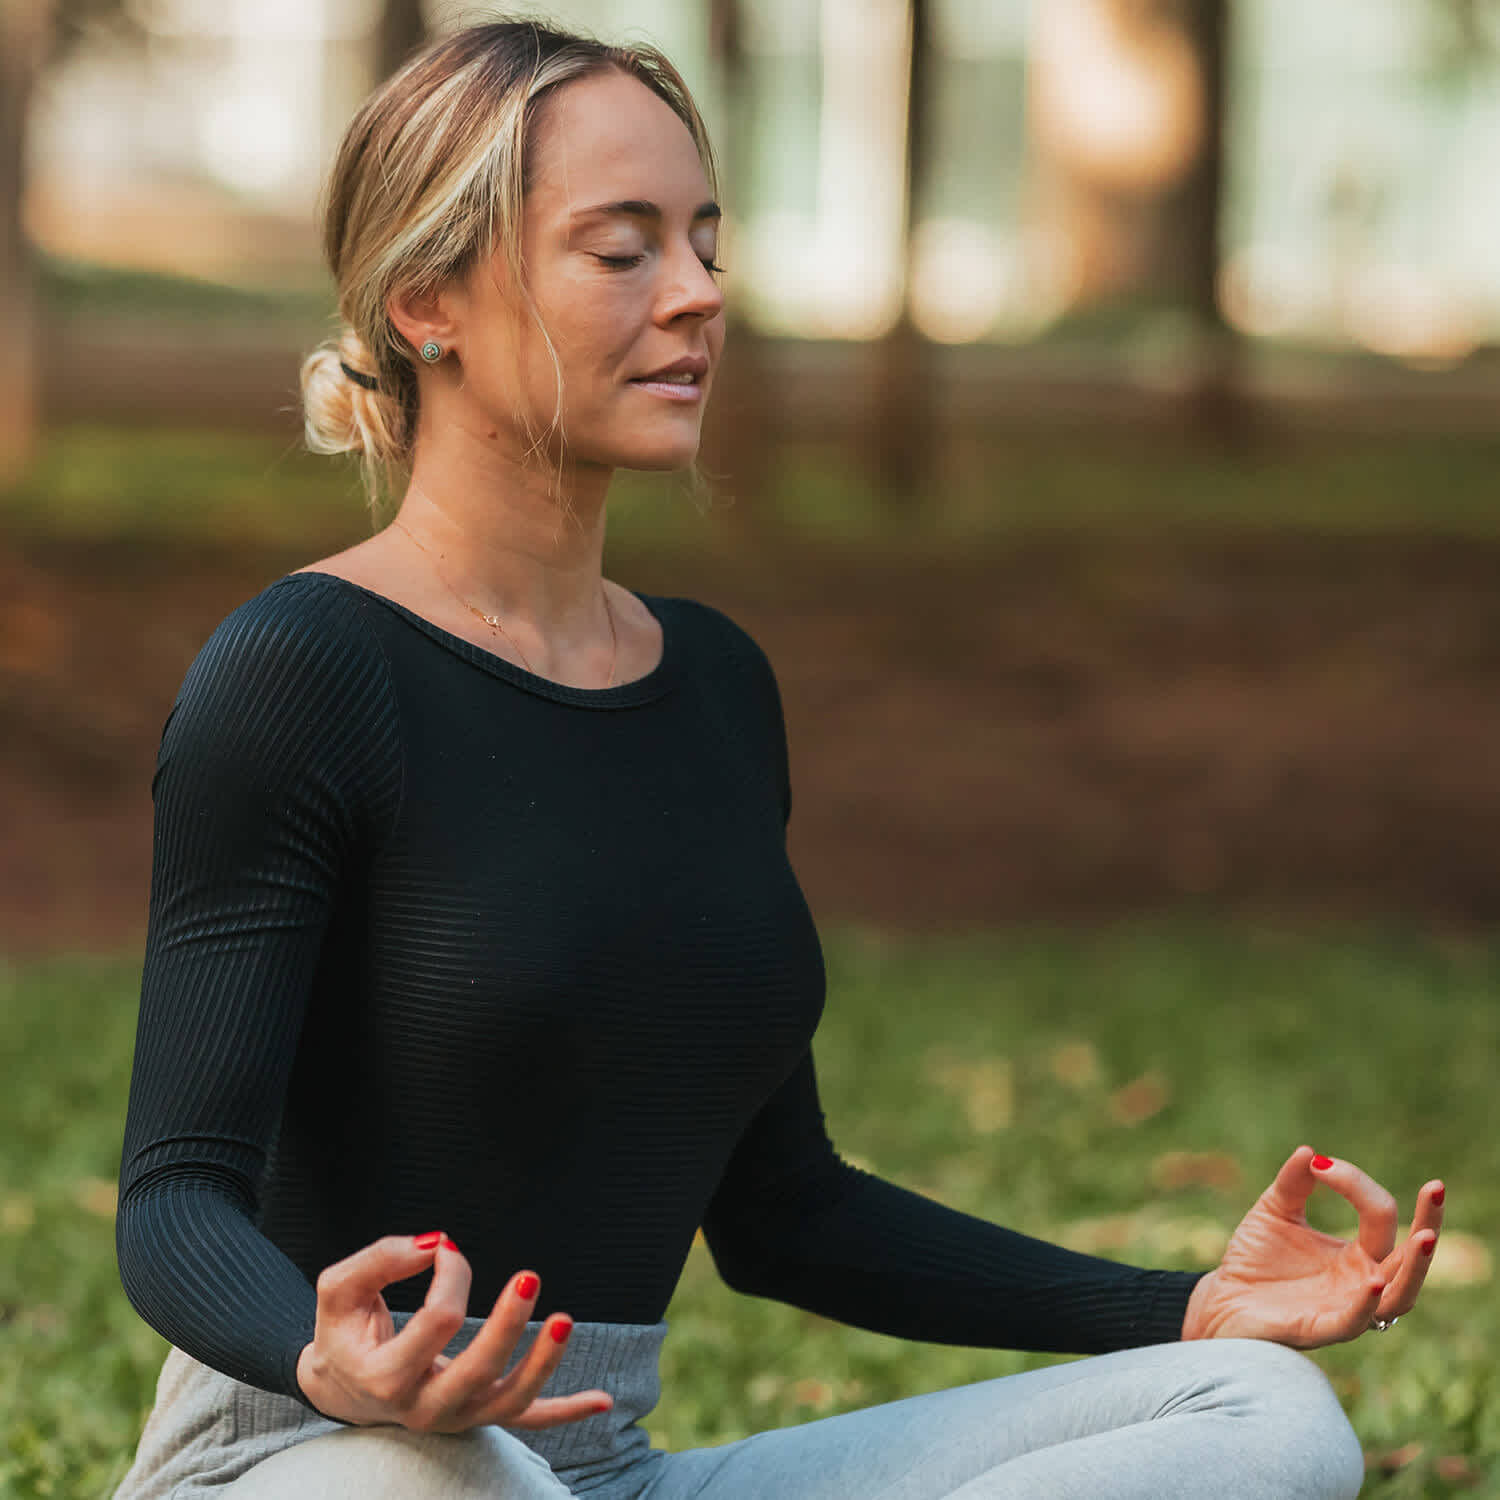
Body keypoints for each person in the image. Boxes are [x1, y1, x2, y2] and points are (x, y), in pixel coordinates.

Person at [112, 19, 1444, 1499]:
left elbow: (786, 1212)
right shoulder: (303, 670)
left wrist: (1186, 1306)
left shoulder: (718, 688)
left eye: (704, 243)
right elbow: (173, 1201)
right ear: (430, 300)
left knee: (1265, 1416)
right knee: (446, 1483)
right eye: (622, 252)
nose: (695, 297)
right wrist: (322, 1350)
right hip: (321, 1459)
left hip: (603, 1475)